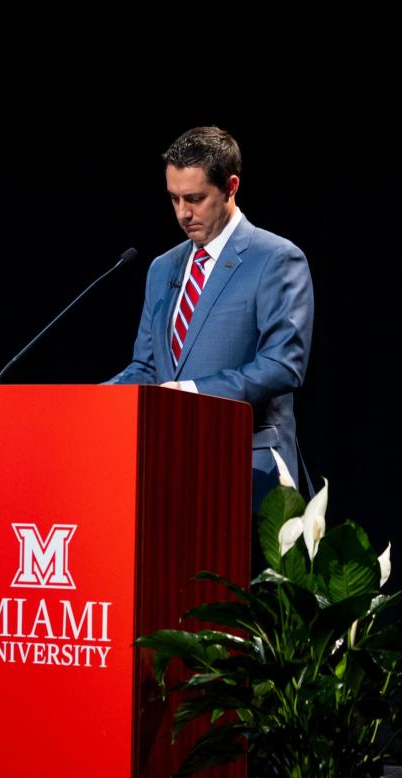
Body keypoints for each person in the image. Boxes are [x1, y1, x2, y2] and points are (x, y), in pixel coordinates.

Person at [110, 126, 314, 505]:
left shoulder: (275, 258)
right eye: (174, 199)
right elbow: (147, 366)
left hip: (249, 471)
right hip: (168, 470)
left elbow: (284, 365)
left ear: (231, 186)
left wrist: (192, 393)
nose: (183, 214)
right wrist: (97, 400)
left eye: (196, 198)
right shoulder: (162, 268)